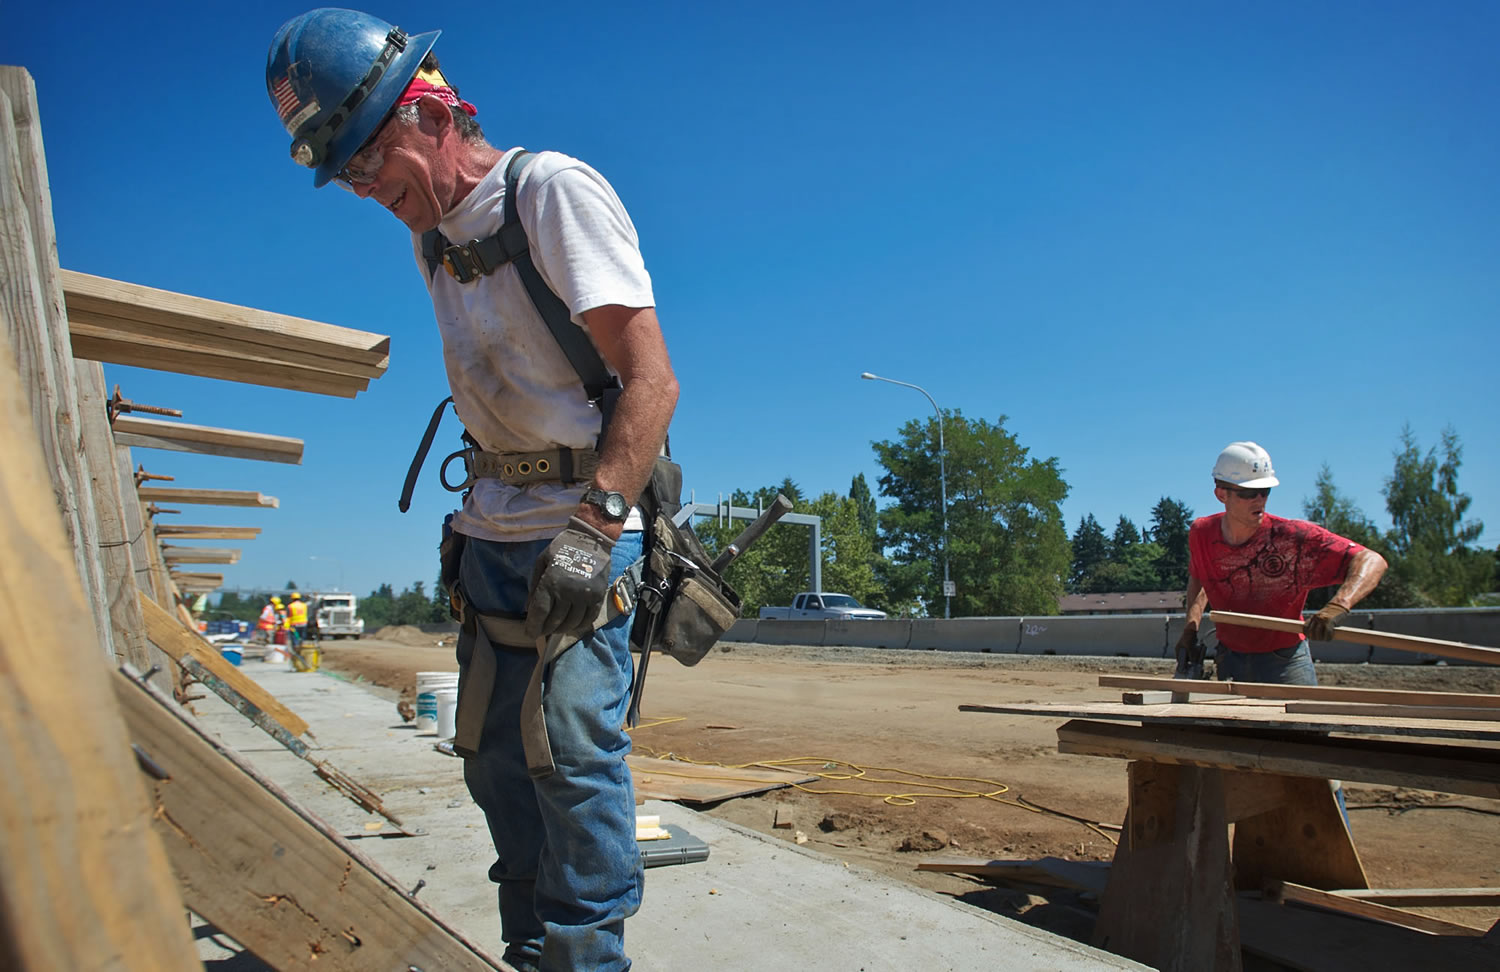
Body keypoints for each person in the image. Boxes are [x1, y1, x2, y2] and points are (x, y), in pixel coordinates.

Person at [266, 12, 678, 971]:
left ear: (429, 109)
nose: (366, 191)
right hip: (492, 531)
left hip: (584, 522)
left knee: (572, 760)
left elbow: (650, 383)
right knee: (495, 762)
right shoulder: (433, 242)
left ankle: (585, 958)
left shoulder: (549, 192)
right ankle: (530, 948)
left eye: (368, 161)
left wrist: (596, 524)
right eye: (348, 178)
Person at [1176, 441, 1388, 685]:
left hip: (1286, 661)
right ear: (1221, 494)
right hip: (1229, 658)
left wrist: (1338, 606)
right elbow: (1201, 576)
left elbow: (1372, 560)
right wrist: (1190, 630)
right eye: (1247, 493)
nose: (1259, 500)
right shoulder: (1202, 533)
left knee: (1300, 723)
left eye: (1265, 491)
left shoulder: (1294, 537)